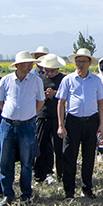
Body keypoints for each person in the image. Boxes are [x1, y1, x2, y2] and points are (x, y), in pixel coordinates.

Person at [0, 50, 45, 205]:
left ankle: (26, 194)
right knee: (5, 161)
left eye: (31, 62)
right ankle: (7, 194)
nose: (31, 65)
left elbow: (40, 101)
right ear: (18, 65)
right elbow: (0, 101)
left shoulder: (36, 81)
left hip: (27, 126)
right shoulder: (6, 80)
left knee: (26, 162)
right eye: (28, 63)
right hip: (8, 125)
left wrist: (30, 114)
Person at [56, 49, 103, 199]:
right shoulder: (68, 80)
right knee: (69, 156)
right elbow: (61, 103)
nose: (80, 64)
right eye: (78, 61)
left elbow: (101, 103)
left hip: (91, 121)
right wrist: (61, 125)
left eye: (83, 61)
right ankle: (69, 191)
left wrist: (101, 125)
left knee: (89, 157)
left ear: (89, 63)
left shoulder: (96, 80)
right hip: (73, 121)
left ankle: (87, 189)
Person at [33, 54, 65, 190]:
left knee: (60, 147)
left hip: (58, 118)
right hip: (42, 115)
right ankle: (40, 175)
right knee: (41, 145)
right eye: (47, 70)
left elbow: (68, 96)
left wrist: (55, 93)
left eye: (52, 70)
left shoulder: (63, 79)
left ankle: (62, 175)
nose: (49, 73)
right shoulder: (39, 80)